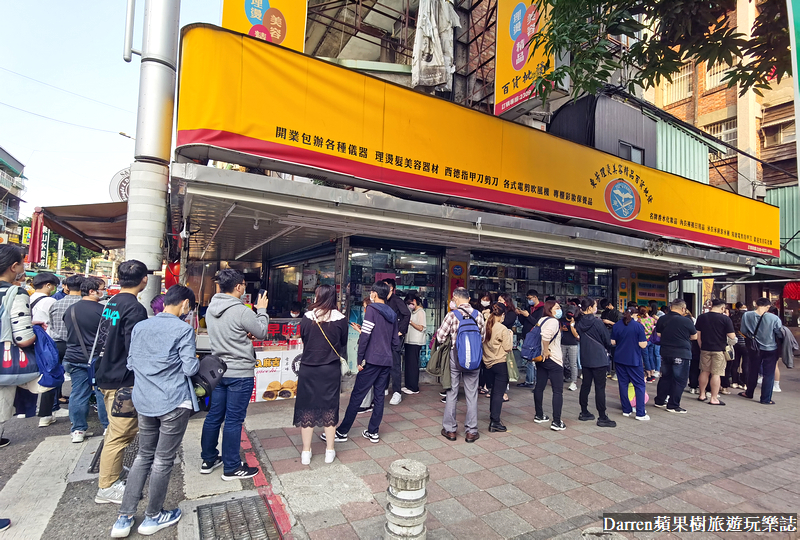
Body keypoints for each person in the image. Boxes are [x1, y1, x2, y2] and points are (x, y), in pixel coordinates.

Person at [110, 285, 198, 538]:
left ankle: (124, 518)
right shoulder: (183, 329)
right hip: (172, 401)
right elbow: (190, 368)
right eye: (189, 307)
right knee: (163, 460)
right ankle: (153, 516)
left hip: (144, 400)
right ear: (184, 304)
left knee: (143, 455)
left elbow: (131, 362)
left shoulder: (141, 326)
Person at [201, 269, 269, 479]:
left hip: (218, 372)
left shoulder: (211, 308)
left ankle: (208, 459)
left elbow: (230, 333)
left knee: (214, 416)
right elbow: (262, 332)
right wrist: (262, 310)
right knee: (233, 420)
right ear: (238, 286)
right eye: (244, 285)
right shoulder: (241, 310)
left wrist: (242, 334)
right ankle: (231, 467)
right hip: (240, 373)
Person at [95, 261, 149, 505]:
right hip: (123, 381)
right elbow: (134, 349)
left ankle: (112, 474)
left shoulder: (112, 302)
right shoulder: (135, 309)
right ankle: (106, 487)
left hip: (106, 373)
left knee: (114, 431)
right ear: (144, 279)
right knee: (121, 433)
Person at [326, 282, 399, 445]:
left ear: (374, 294)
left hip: (371, 360)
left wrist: (360, 360)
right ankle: (373, 431)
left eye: (372, 292)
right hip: (386, 360)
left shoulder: (372, 310)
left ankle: (342, 432)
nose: (370, 294)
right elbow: (396, 341)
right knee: (379, 397)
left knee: (357, 395)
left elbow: (365, 336)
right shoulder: (392, 313)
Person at [293, 285, 348, 465]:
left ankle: (306, 452)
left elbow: (304, 338)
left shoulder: (308, 317)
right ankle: (329, 451)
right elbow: (343, 342)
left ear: (318, 296)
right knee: (329, 408)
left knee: (307, 409)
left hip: (308, 368)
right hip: (330, 369)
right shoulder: (340, 319)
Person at [64, 277, 109, 446]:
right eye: (102, 288)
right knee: (101, 392)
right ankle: (107, 427)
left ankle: (78, 430)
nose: (104, 292)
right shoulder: (103, 311)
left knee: (78, 393)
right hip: (97, 358)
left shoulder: (70, 310)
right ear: (92, 291)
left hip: (73, 357)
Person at [0, 245, 36, 449]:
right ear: (13, 266)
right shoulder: (15, 293)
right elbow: (23, 338)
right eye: (22, 263)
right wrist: (37, 334)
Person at [438, 287, 485, 442]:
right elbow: (483, 338)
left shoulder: (452, 315)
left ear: (455, 299)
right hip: (475, 358)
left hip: (456, 357)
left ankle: (450, 430)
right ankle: (471, 431)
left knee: (452, 392)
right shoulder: (478, 315)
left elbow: (440, 337)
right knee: (472, 394)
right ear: (469, 299)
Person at [47, 274, 84, 418]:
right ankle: (78, 414)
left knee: (53, 377)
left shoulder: (56, 304)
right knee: (78, 381)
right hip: (77, 346)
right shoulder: (84, 304)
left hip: (57, 344)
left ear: (67, 287)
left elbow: (51, 325)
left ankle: (50, 410)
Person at [575, 299, 615, 427]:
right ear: (590, 308)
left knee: (585, 385)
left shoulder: (579, 322)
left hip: (585, 357)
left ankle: (584, 411)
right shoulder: (597, 322)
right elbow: (607, 340)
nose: (596, 308)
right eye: (595, 306)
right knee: (600, 388)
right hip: (598, 358)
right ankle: (602, 416)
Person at [653, 299, 697, 414]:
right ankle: (673, 405)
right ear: (683, 309)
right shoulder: (686, 320)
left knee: (665, 377)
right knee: (679, 380)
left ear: (671, 307)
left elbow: (658, 334)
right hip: (681, 353)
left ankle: (660, 400)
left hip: (665, 352)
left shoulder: (662, 318)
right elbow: (694, 336)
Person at [29, 272, 61, 427]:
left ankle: (31, 409)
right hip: (47, 342)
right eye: (54, 285)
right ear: (48, 285)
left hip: (30, 341)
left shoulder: (28, 298)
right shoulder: (50, 301)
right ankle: (46, 413)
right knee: (51, 374)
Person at [740, 298, 783, 405]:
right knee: (769, 374)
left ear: (756, 305)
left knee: (752, 371)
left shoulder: (746, 315)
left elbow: (743, 331)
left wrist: (753, 336)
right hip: (771, 349)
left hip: (754, 348)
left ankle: (749, 393)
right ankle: (765, 399)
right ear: (768, 306)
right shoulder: (774, 318)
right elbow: (779, 333)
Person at [695, 298, 736, 406]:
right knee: (716, 374)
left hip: (705, 348)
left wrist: (701, 346)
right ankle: (713, 398)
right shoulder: (725, 319)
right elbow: (732, 336)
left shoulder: (702, 317)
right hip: (719, 350)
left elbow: (698, 335)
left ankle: (702, 394)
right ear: (722, 308)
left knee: (704, 371)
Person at [533, 300, 566, 431]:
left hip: (541, 359)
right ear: (550, 309)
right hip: (553, 358)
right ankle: (557, 421)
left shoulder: (542, 320)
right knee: (557, 390)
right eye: (556, 308)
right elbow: (545, 336)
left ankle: (539, 415)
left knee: (539, 386)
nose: (559, 310)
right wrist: (546, 350)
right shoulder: (553, 322)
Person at [611, 307, 649, 421]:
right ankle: (640, 413)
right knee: (639, 385)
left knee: (623, 384)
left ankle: (626, 410)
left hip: (619, 358)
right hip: (634, 360)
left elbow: (613, 342)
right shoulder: (638, 326)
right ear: (635, 314)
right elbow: (643, 345)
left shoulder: (616, 325)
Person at [482, 303, 512, 432]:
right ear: (503, 314)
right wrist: (510, 335)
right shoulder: (502, 328)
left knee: (493, 391)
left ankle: (493, 414)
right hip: (499, 363)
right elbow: (508, 348)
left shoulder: (485, 325)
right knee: (498, 393)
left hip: (487, 363)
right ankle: (495, 421)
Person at [383, 279, 411, 406]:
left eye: (384, 286)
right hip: (384, 336)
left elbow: (407, 314)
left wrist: (401, 331)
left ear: (391, 288)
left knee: (395, 364)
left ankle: (397, 392)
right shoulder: (382, 300)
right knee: (384, 363)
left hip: (395, 337)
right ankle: (384, 387)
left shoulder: (397, 300)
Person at [516, 289, 543, 388]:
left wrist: (528, 316)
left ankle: (533, 381)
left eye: (530, 298)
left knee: (533, 359)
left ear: (535, 297)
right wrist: (520, 314)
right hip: (527, 335)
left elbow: (537, 323)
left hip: (535, 336)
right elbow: (524, 322)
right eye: (527, 298)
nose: (529, 300)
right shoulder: (529, 307)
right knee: (528, 358)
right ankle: (529, 380)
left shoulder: (541, 309)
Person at [403, 295, 426, 395]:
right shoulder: (412, 312)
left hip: (416, 342)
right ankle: (408, 385)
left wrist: (410, 322)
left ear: (415, 301)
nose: (409, 305)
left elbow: (421, 327)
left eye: (410, 303)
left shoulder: (421, 312)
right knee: (408, 364)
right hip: (409, 341)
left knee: (413, 365)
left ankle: (414, 387)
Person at [560, 305, 580, 391]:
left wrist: (572, 325)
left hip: (573, 344)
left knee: (573, 364)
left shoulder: (576, 322)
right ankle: (560, 378)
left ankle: (573, 382)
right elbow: (559, 329)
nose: (570, 315)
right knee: (561, 362)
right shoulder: (562, 320)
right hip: (563, 343)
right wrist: (562, 329)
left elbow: (576, 335)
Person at [600, 298, 621, 380]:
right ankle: (607, 370)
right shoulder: (604, 313)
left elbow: (620, 326)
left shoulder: (617, 313)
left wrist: (609, 322)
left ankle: (616, 371)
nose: (606, 308)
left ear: (610, 304)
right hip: (605, 333)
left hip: (614, 334)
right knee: (606, 352)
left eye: (606, 306)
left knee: (615, 353)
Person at [729, 302, 748, 389]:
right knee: (746, 363)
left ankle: (734, 381)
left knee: (735, 362)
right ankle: (745, 383)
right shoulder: (748, 317)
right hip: (746, 343)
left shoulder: (733, 317)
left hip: (735, 342)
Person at [638, 307, 658, 383]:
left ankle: (648, 375)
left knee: (645, 357)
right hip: (652, 339)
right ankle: (652, 373)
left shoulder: (640, 320)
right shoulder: (652, 319)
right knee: (651, 356)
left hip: (644, 340)